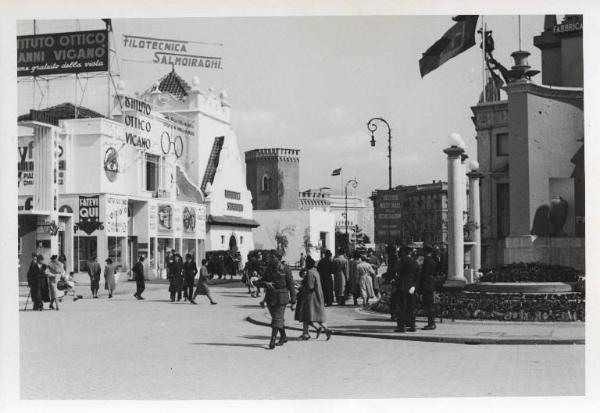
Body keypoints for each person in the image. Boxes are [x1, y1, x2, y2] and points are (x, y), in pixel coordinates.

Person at [258, 251, 296, 349]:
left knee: (276, 319)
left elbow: (291, 286)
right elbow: (260, 282)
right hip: (270, 297)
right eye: (271, 257)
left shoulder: (285, 269)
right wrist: (266, 284)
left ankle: (272, 341)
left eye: (273, 257)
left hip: (281, 297)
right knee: (277, 319)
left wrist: (293, 301)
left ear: (278, 258)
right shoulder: (269, 269)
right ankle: (283, 336)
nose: (271, 259)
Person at [295, 256, 332, 340]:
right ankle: (326, 329)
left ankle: (305, 334)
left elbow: (310, 286)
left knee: (306, 315)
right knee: (315, 315)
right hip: (317, 296)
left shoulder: (309, 273)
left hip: (310, 297)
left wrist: (300, 287)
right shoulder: (316, 272)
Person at [393, 246, 419, 333]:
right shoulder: (414, 262)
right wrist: (414, 286)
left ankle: (401, 326)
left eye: (400, 252)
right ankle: (412, 325)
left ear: (403, 252)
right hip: (411, 286)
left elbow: (395, 270)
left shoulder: (401, 261)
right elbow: (418, 275)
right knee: (411, 306)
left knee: (402, 306)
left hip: (402, 285)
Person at [417, 244, 437, 330]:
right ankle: (431, 323)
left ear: (425, 251)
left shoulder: (427, 261)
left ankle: (431, 323)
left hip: (426, 285)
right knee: (430, 305)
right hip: (430, 284)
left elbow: (424, 274)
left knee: (429, 305)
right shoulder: (432, 260)